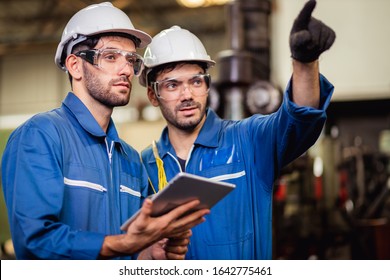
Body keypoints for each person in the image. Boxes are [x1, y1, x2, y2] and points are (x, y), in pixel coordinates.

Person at [1, 2, 209, 260]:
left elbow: (131, 253)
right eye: (110, 56)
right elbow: (35, 241)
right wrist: (121, 244)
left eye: (131, 59)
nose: (126, 70)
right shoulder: (40, 137)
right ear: (75, 66)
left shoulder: (131, 159)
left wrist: (150, 254)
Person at [139, 0, 335, 259]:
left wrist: (305, 63)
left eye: (196, 81)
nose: (187, 94)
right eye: (172, 85)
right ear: (154, 96)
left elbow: (299, 120)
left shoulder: (248, 140)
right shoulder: (142, 166)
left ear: (207, 86)